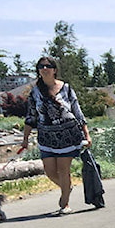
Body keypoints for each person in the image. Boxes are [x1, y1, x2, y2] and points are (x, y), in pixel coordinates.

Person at [21, 56, 92, 215]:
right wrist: (25, 139)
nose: (44, 69)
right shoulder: (35, 92)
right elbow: (30, 117)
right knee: (50, 171)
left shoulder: (66, 88)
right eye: (41, 66)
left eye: (48, 66)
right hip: (46, 137)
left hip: (68, 135)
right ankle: (67, 188)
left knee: (63, 169)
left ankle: (65, 204)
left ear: (54, 70)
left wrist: (87, 135)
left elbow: (77, 112)